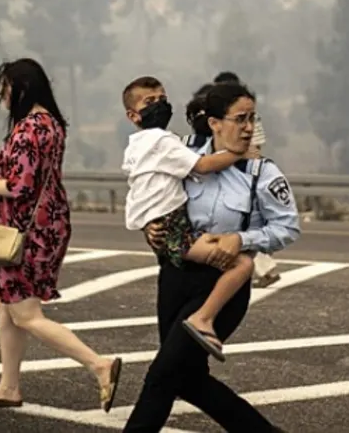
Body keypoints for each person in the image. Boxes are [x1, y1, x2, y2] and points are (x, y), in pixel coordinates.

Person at [123, 81, 300, 433]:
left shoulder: (261, 173)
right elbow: (151, 191)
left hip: (221, 288)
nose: (249, 127)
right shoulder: (183, 152)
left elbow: (288, 228)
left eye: (252, 118)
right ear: (215, 122)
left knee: (162, 375)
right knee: (186, 378)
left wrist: (242, 238)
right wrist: (149, 228)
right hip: (174, 277)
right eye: (240, 119)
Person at [0, 58, 123, 411]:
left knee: (25, 314)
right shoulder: (49, 124)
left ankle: (100, 366)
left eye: (5, 87)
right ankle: (9, 387)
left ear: (20, 87)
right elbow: (31, 171)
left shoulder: (27, 129)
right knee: (7, 308)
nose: (1, 95)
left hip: (27, 231)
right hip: (47, 225)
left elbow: (19, 187)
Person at [120, 75, 254, 361]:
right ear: (133, 115)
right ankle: (203, 318)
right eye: (150, 101)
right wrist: (238, 153)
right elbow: (203, 165)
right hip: (173, 229)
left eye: (162, 98)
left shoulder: (135, 146)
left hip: (168, 229)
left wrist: (146, 226)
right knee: (242, 264)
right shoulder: (162, 141)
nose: (160, 105)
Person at [211, 71, 280, 289]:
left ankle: (263, 268)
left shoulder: (241, 117)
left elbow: (252, 147)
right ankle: (263, 268)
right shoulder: (250, 116)